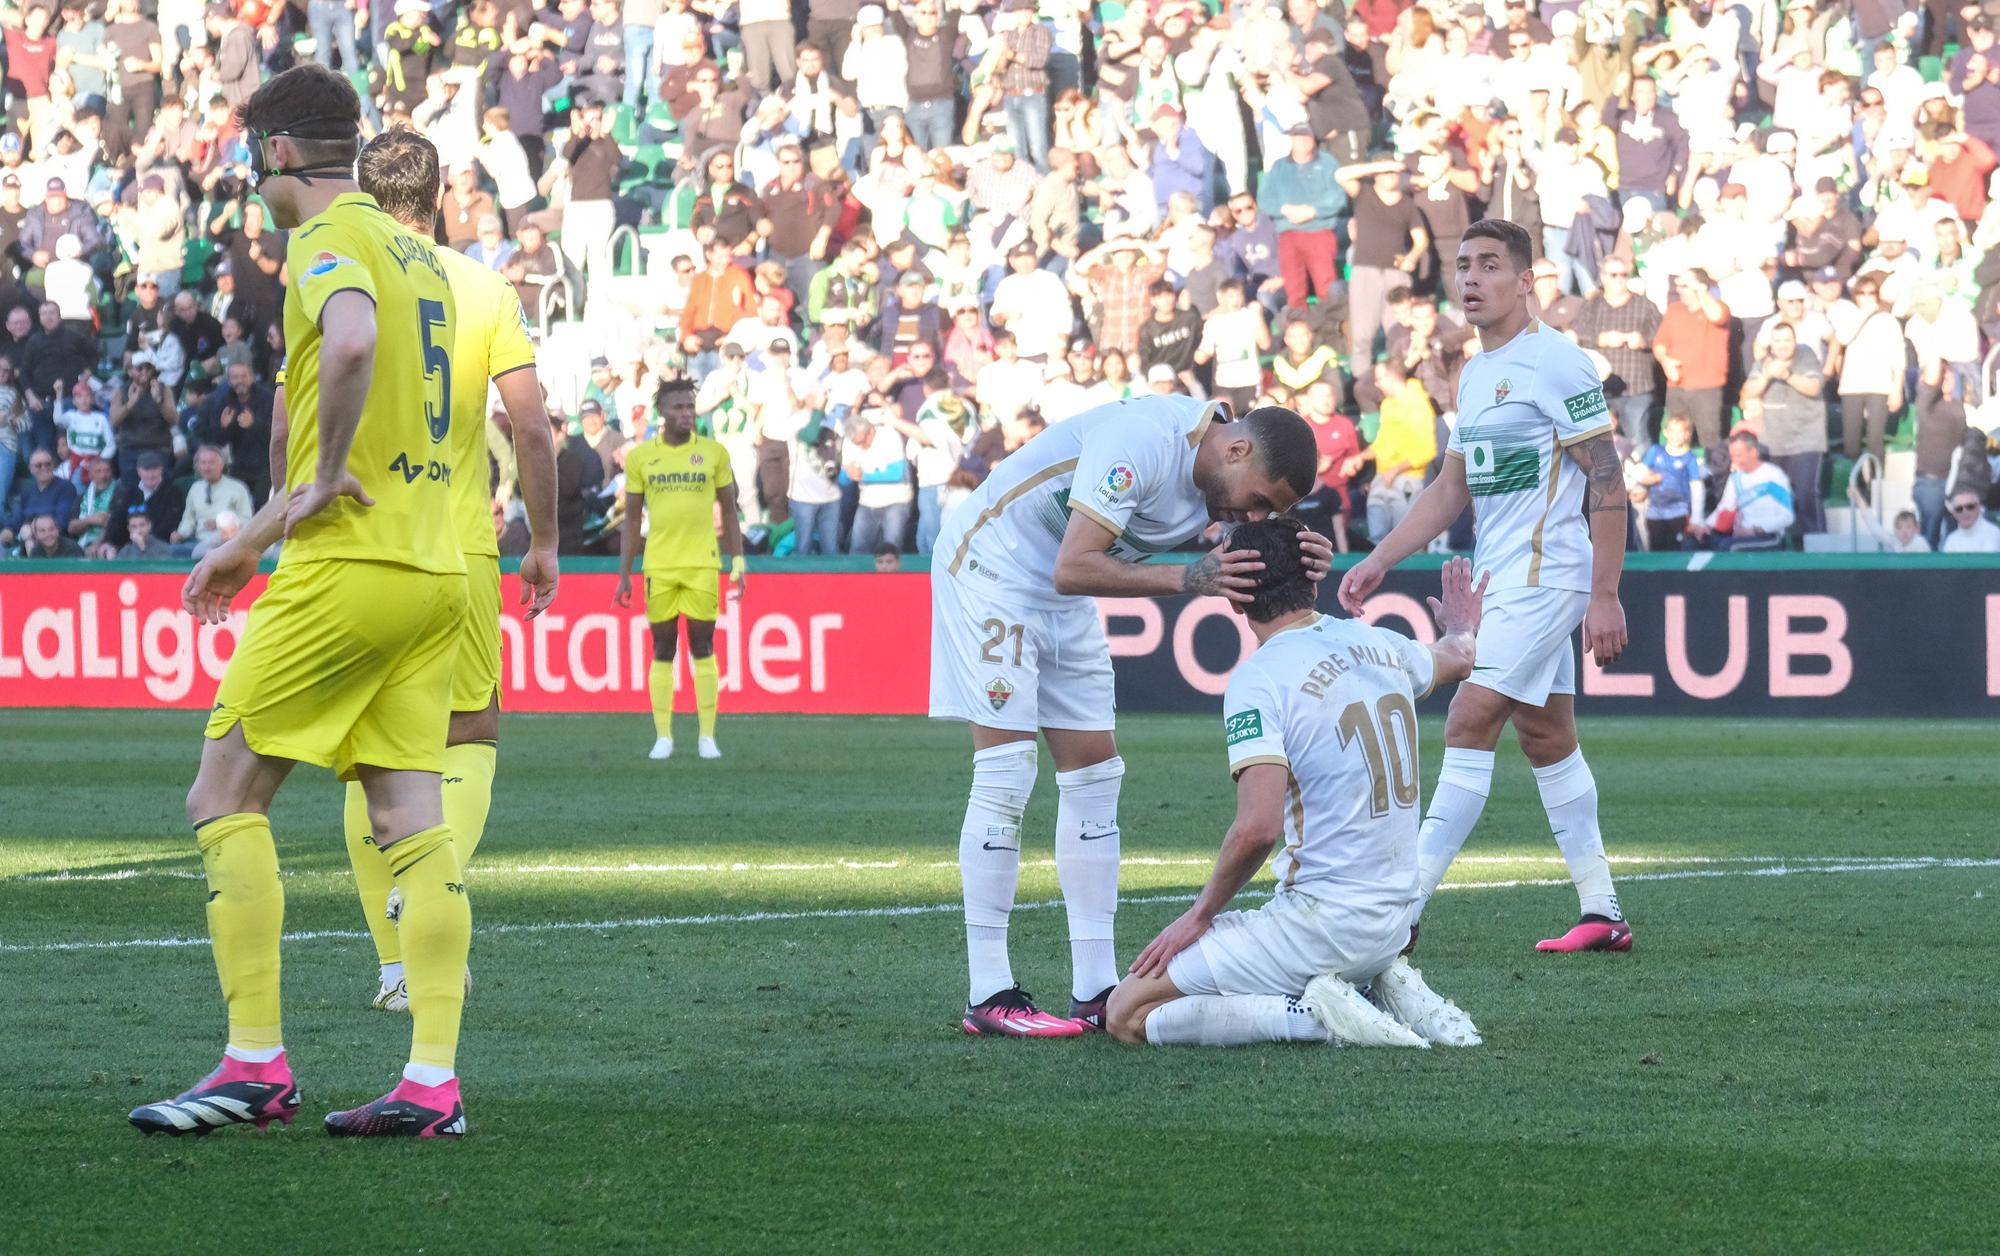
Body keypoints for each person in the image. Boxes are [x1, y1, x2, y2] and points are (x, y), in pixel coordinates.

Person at [139, 65, 472, 1141]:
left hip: (350, 567)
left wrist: (311, 487)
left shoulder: (326, 236)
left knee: (222, 794)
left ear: (277, 150)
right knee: (407, 819)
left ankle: (253, 1063)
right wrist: (252, 537)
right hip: (437, 574)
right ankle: (430, 1080)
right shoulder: (421, 249)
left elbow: (353, 340)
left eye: (249, 150)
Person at [934, 394, 1323, 1037]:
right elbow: (1073, 564)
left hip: (1064, 597)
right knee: (1006, 769)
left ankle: (1094, 989)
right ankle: (990, 993)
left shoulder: (1224, 478)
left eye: (1266, 512)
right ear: (1235, 448)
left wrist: (1306, 558)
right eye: (1259, 501)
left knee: (1095, 774)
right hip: (992, 569)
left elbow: (1257, 559)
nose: (1251, 517)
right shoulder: (1141, 440)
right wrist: (1189, 579)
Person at [1339, 218, 1634, 955]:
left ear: (1526, 280)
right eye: (1464, 264)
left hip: (1550, 573)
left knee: (1468, 719)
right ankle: (1603, 911)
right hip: (1504, 576)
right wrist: (1381, 558)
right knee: (1546, 735)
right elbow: (1452, 486)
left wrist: (1605, 593)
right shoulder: (1474, 372)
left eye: (1490, 265)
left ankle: (1399, 912)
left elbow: (1606, 477)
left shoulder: (1559, 364)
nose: (1470, 278)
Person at [334, 126, 561, 1016]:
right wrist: (543, 543)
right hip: (459, 543)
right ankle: (432, 881)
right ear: (441, 199)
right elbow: (533, 428)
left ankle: (395, 966)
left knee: (367, 758)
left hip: (357, 543)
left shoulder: (340, 277)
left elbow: (285, 418)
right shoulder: (482, 286)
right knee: (469, 734)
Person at [1106, 525, 1484, 1050]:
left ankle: (1313, 1016)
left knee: (1127, 1012)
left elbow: (1257, 829)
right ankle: (1377, 983)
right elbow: (1459, 658)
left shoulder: (1258, 680)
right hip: (1396, 922)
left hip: (1323, 927)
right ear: (1313, 584)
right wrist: (1463, 624)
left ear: (1236, 601)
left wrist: (1199, 916)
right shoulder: (1379, 641)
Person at [615, 379, 747, 761]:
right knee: (662, 648)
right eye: (679, 408)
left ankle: (707, 736)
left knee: (703, 646)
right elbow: (632, 518)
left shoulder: (714, 453)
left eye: (691, 407)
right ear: (662, 413)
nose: (687, 414)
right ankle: (664, 736)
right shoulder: (641, 458)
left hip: (703, 563)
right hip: (658, 564)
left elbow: (731, 511)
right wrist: (625, 573)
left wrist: (737, 561)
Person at [1687, 432, 1795, 551]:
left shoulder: (1774, 475)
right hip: (1741, 534)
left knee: (1728, 547)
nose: (1734, 460)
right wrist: (1706, 526)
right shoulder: (1736, 478)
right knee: (1693, 542)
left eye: (1739, 455)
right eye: (1732, 456)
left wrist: (1755, 530)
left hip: (1769, 536)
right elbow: (1725, 507)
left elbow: (1787, 516)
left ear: (1753, 452)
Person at [1634, 413, 1707, 551]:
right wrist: (1646, 481)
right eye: (1672, 431)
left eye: (1680, 431)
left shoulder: (1689, 458)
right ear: (1666, 432)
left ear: (1687, 434)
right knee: (1656, 549)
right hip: (1654, 512)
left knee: (1675, 549)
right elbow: (1638, 472)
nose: (1676, 435)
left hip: (1678, 512)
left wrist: (1696, 518)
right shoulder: (1655, 451)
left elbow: (1697, 488)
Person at [171, 445, 255, 556]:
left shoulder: (237, 488)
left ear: (222, 464)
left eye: (211, 462)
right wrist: (180, 534)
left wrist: (222, 525)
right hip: (198, 541)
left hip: (226, 542)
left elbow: (247, 520)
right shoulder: (195, 488)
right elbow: (188, 520)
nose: (207, 467)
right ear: (198, 466)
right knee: (172, 550)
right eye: (203, 463)